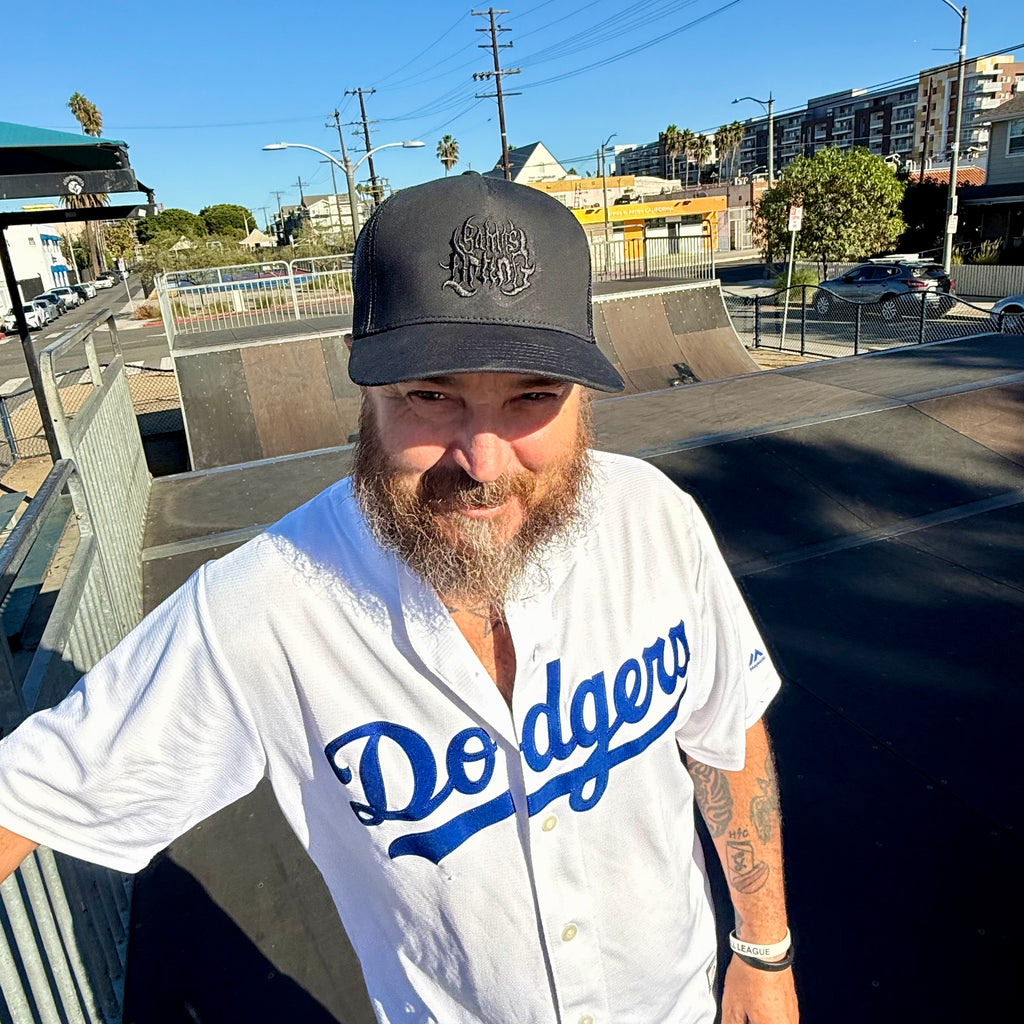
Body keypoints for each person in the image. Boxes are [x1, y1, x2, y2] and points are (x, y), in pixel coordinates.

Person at [0, 173, 798, 1024]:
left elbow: (724, 726)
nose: (484, 463)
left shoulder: (655, 518)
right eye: (431, 396)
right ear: (366, 395)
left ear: (583, 399)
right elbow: (27, 795)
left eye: (533, 396)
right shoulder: (265, 605)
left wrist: (764, 950)